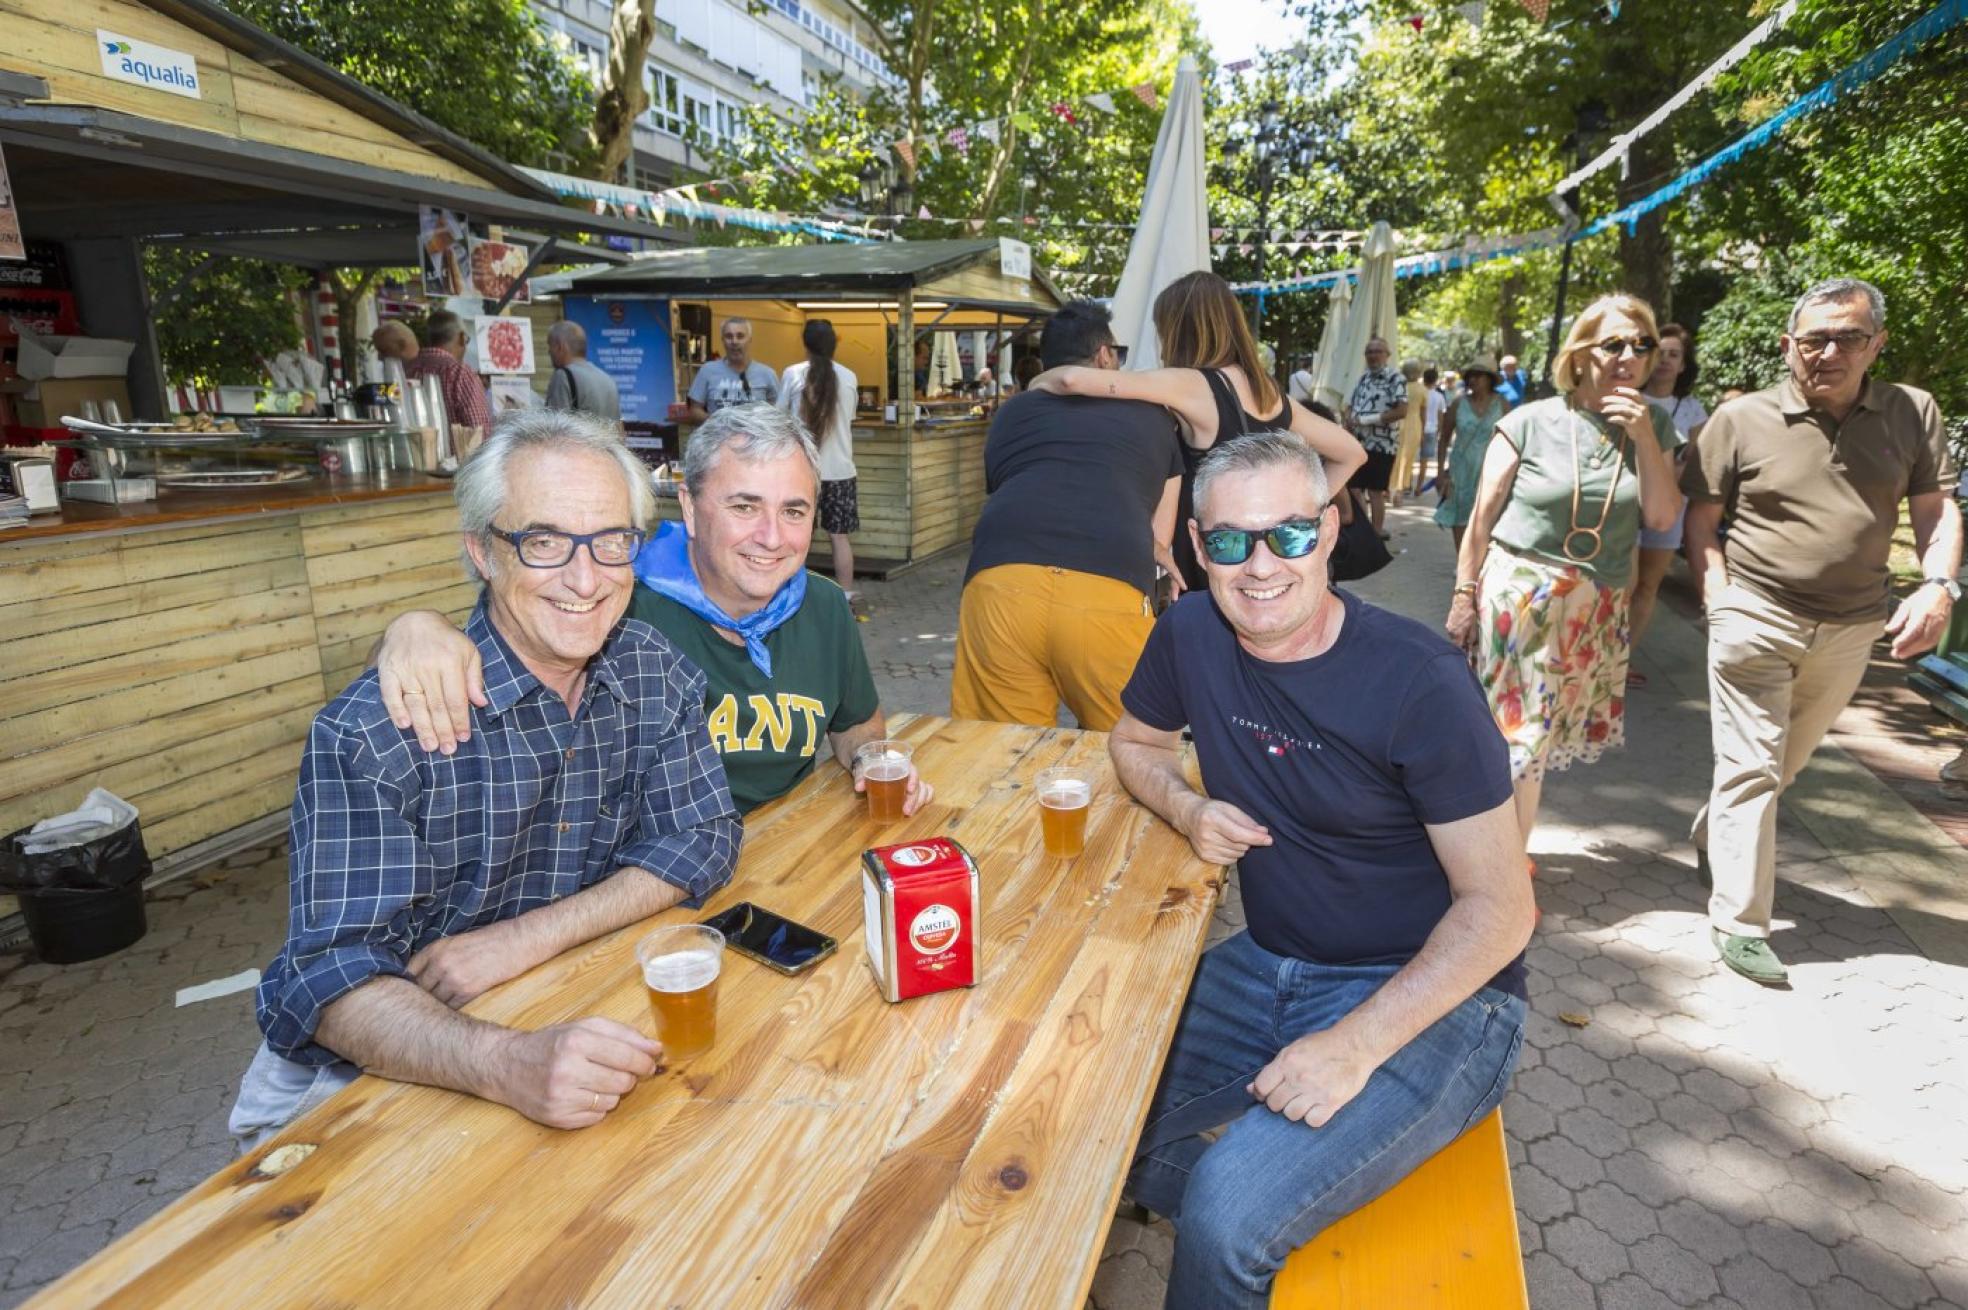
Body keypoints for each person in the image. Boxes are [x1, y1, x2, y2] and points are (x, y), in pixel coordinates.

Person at [230, 410, 742, 1148]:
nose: (585, 578)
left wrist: (522, 939)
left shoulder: (650, 668)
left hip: (549, 1010)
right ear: (482, 552)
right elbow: (329, 981)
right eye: (543, 542)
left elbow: (703, 835)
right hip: (361, 1076)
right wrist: (502, 1062)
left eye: (611, 542)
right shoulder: (377, 729)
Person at [1109, 430, 1531, 1307]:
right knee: (1092, 1107)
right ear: (1197, 547)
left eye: (1288, 535)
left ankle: (1249, 1241)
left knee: (1228, 1216)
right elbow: (1134, 743)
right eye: (1229, 541)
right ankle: (1281, 1243)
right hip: (1273, 960)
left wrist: (1354, 1047)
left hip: (1439, 996)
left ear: (1331, 530)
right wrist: (1188, 809)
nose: (1260, 566)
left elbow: (1500, 910)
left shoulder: (1420, 679)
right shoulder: (1190, 630)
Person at [372, 405, 934, 819]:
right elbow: (495, 632)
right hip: (655, 869)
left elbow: (858, 724)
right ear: (689, 507)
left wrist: (869, 760)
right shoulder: (615, 599)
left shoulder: (823, 605)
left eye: (794, 510)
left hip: (779, 849)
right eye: (743, 506)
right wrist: (411, 628)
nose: (771, 537)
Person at [1683, 277, 1960, 985]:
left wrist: (1938, 585)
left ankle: (1717, 833)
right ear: (1788, 345)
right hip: (1755, 613)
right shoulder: (1741, 418)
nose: (1828, 352)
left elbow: (1934, 509)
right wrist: (1718, 599)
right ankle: (1741, 922)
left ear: (1877, 345)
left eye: (1848, 338)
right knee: (1752, 765)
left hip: (1852, 626)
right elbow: (1702, 518)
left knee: (1786, 764)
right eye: (1814, 339)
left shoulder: (1913, 412)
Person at [1445, 295, 1681, 854]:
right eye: (1614, 344)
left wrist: (1645, 437)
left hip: (1594, 605)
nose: (1629, 356)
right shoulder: (1529, 421)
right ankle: (1503, 865)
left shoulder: (1657, 426)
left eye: (1640, 346)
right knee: (1521, 736)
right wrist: (1463, 594)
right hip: (1520, 592)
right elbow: (1480, 517)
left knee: (1538, 739)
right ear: (1579, 355)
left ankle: (1496, 852)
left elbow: (1662, 517)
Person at [1028, 271, 1365, 595]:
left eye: (1162, 330)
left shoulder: (1192, 383)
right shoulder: (1267, 391)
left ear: (1178, 330)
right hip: (1265, 555)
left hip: (1215, 559)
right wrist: (1303, 514)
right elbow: (1352, 453)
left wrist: (1036, 383)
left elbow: (1071, 379)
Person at [949, 301, 1184, 730]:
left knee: (1001, 752)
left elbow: (1007, 486)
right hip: (1108, 588)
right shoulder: (1154, 416)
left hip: (1002, 582)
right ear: (1105, 356)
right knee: (1128, 752)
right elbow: (1159, 537)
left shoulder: (1012, 413)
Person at [1625, 323, 1708, 685]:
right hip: (1625, 505)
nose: (1666, 362)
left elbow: (1698, 461)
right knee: (1621, 584)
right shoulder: (1628, 397)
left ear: (1684, 364)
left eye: (1675, 355)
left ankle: (1622, 659)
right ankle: (1601, 654)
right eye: (1661, 353)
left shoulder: (1692, 410)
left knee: (1647, 586)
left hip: (1670, 508)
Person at [776, 320, 860, 598]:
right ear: (835, 342)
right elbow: (849, 420)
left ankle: (792, 595)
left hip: (801, 471)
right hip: (841, 471)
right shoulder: (849, 377)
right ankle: (846, 595)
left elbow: (780, 419)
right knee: (839, 537)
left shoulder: (792, 374)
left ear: (805, 343)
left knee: (798, 536)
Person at [1432, 355, 1508, 550]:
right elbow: (1444, 439)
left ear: (1490, 379)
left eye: (1479, 375)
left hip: (1493, 468)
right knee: (1460, 516)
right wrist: (1440, 472)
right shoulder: (1459, 403)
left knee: (1489, 515)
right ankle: (1462, 563)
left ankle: (1482, 562)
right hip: (1462, 469)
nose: (1474, 379)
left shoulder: (1503, 405)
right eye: (1471, 376)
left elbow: (1513, 441)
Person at [1345, 337, 1410, 538]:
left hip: (1382, 444)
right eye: (1369, 352)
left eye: (1377, 351)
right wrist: (1348, 419)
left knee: (1375, 491)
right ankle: (1365, 530)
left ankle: (1376, 531)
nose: (1373, 356)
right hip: (1358, 443)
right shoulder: (1362, 378)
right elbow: (1350, 405)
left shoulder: (1395, 378)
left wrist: (1368, 420)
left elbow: (1402, 410)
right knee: (1354, 488)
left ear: (1387, 355)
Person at [404, 310, 493, 431]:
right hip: (454, 450)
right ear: (462, 338)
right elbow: (479, 431)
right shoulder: (460, 373)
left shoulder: (407, 369)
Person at [686, 318, 778, 420]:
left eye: (740, 336)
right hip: (718, 434)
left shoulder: (767, 374)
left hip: (756, 435)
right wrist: (716, 423)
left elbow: (777, 411)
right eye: (729, 336)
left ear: (750, 339)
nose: (734, 341)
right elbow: (694, 410)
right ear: (722, 340)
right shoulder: (707, 371)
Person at [543, 321, 622, 423]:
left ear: (560, 346)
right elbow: (620, 430)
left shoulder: (563, 376)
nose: (549, 352)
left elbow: (554, 430)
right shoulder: (608, 380)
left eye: (550, 345)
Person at [1390, 360, 1427, 503]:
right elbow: (1423, 413)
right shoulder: (1422, 390)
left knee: (1395, 457)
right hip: (1414, 425)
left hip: (1397, 423)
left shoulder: (1399, 387)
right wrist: (1423, 431)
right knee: (1407, 459)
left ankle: (1390, 489)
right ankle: (1399, 491)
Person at [1419, 367, 1447, 488]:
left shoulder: (1419, 393)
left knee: (1409, 459)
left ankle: (1406, 485)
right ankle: (1419, 487)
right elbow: (1441, 416)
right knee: (1424, 461)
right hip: (1431, 430)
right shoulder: (1439, 396)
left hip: (1416, 428)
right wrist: (1439, 430)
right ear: (1436, 380)